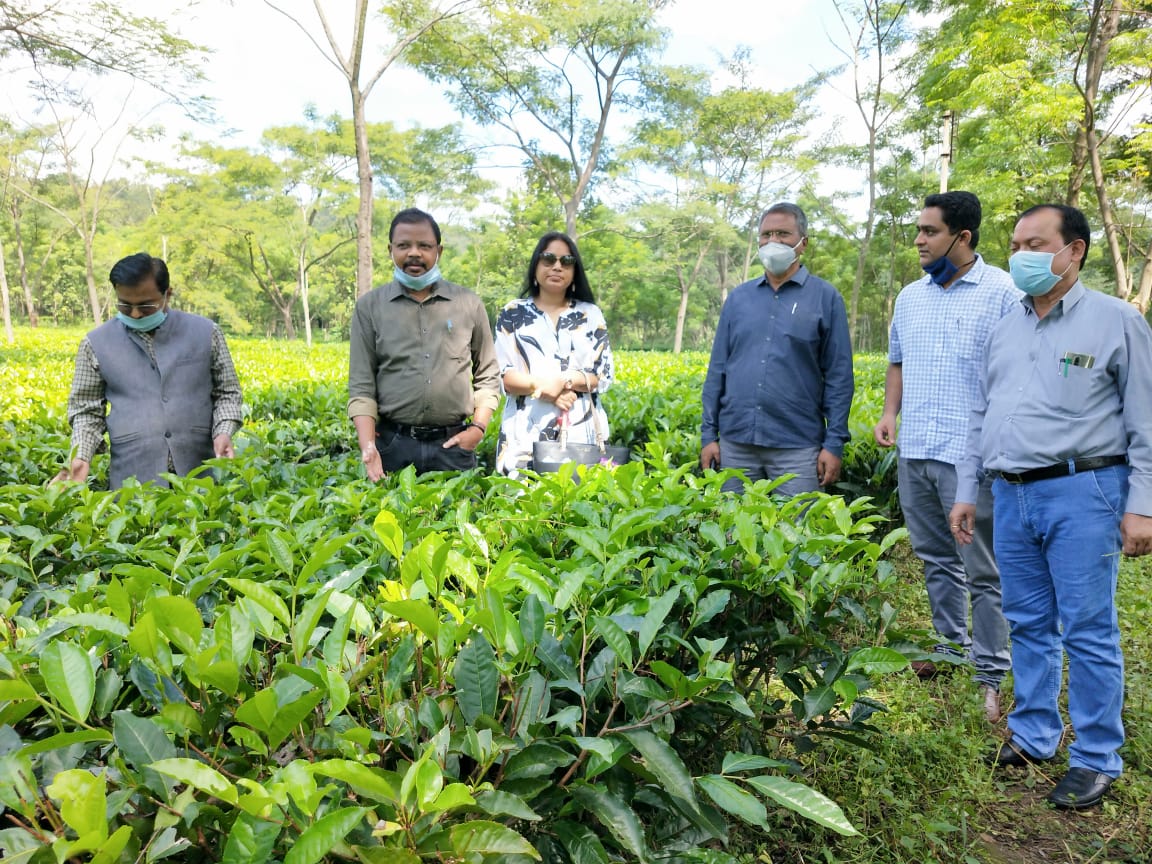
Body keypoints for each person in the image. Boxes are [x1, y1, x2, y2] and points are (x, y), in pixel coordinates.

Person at [951, 204, 1152, 810]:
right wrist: (967, 488)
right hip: (1010, 493)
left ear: (1075, 251)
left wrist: (1142, 505)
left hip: (1083, 491)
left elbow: (1146, 421)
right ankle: (1034, 733)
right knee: (1029, 620)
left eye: (1035, 244)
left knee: (1089, 627)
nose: (1021, 256)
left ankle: (1095, 756)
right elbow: (979, 413)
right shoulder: (1003, 325)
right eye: (1015, 244)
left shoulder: (1117, 322)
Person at [873, 191, 1015, 723]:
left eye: (929, 232)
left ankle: (990, 673)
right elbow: (897, 361)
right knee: (935, 558)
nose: (918, 240)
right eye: (918, 230)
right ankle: (950, 647)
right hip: (917, 449)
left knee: (983, 568)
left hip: (971, 456)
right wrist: (890, 412)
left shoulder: (1002, 291)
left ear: (963, 237)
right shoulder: (911, 296)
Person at [700, 202, 854, 495]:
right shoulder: (738, 299)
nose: (773, 242)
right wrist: (708, 435)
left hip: (798, 447)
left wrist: (834, 443)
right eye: (766, 234)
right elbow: (718, 370)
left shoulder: (826, 298)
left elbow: (839, 377)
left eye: (783, 234)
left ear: (803, 243)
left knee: (797, 536)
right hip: (736, 444)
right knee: (733, 534)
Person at [54, 252, 243, 489]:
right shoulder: (95, 344)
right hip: (132, 484)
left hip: (199, 476)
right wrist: (80, 456)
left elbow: (228, 392)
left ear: (167, 294)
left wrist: (223, 431)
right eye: (125, 305)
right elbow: (86, 411)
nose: (134, 314)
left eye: (146, 305)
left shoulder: (206, 333)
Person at [348, 208, 499, 476]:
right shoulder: (370, 307)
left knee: (457, 517)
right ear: (390, 250)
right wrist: (368, 446)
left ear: (438, 251)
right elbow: (361, 386)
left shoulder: (468, 304)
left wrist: (477, 429)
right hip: (392, 446)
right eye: (404, 245)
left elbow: (487, 375)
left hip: (454, 446)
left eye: (424, 246)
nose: (414, 253)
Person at [493, 232, 615, 476]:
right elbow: (503, 375)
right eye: (548, 259)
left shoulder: (590, 315)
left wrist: (565, 380)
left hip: (583, 434)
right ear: (536, 266)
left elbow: (603, 375)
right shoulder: (513, 313)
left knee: (580, 503)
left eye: (566, 261)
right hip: (524, 435)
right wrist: (545, 390)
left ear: (574, 272)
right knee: (522, 507)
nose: (557, 266)